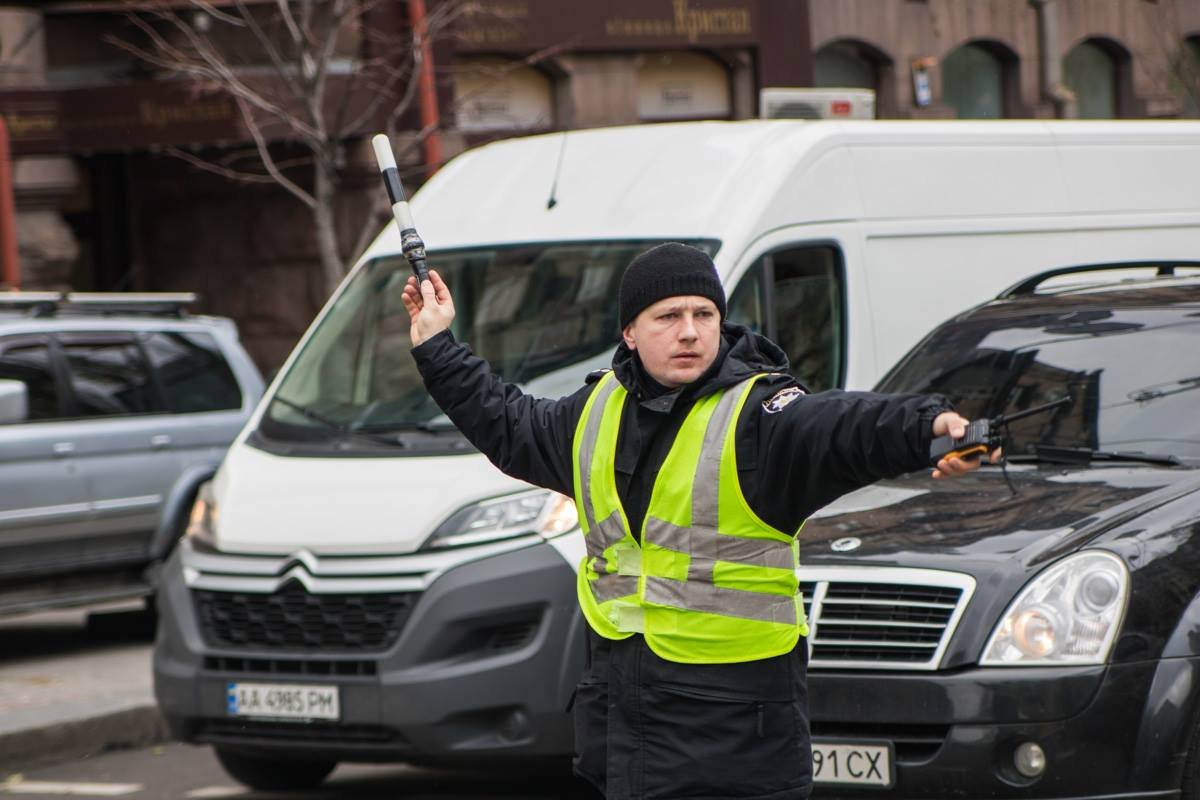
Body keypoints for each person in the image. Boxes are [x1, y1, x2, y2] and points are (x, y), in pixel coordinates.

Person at [402, 243, 991, 800]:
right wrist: (437, 346)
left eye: (704, 314)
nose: (689, 330)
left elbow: (842, 424)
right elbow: (508, 422)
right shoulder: (596, 411)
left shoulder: (760, 414)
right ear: (629, 332)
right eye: (668, 316)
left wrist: (929, 427)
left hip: (734, 740)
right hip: (627, 724)